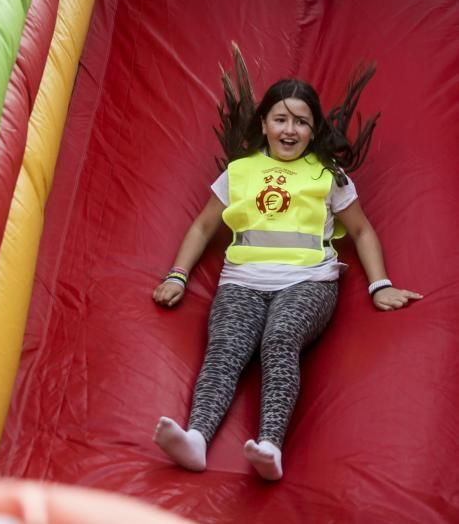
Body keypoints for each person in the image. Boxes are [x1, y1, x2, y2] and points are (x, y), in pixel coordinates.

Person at [152, 52, 422, 481]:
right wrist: (176, 275)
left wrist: (380, 285)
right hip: (242, 280)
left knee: (279, 340)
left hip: (308, 281)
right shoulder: (239, 172)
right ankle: (197, 439)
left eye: (300, 121)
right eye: (280, 119)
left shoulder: (327, 176)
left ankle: (270, 446)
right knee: (225, 347)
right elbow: (203, 226)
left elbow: (363, 232)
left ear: (313, 130)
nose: (289, 129)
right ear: (263, 124)